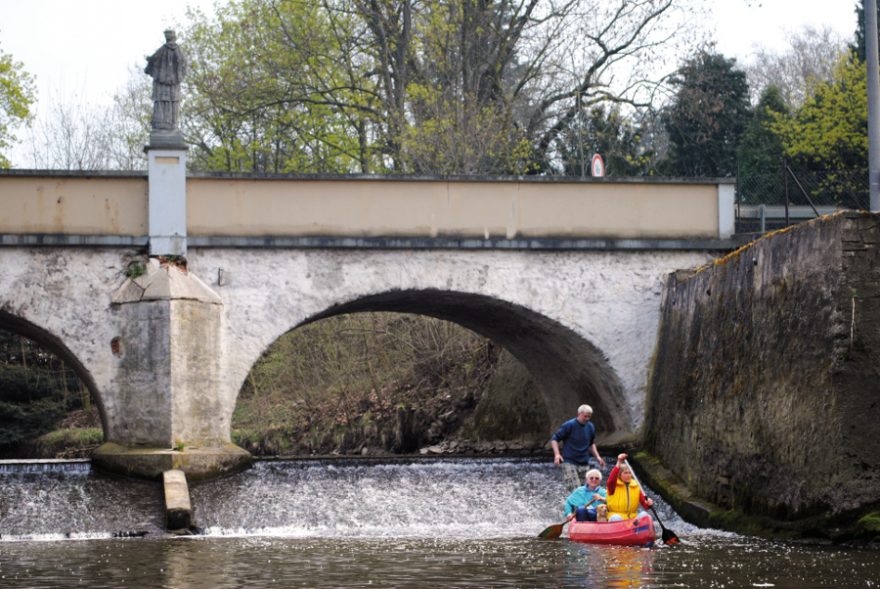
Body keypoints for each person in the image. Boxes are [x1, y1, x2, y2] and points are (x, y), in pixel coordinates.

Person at [550, 404, 604, 492]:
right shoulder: (569, 425)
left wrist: (597, 457)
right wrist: (557, 454)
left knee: (587, 489)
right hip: (569, 461)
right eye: (585, 416)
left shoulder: (590, 426)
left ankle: (580, 505)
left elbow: (591, 443)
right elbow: (554, 439)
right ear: (579, 414)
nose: (587, 419)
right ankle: (576, 505)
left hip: (584, 462)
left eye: (589, 417)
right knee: (576, 490)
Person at [145, 29, 188, 132]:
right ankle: (173, 123)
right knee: (173, 102)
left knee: (161, 101)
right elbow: (184, 64)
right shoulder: (179, 51)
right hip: (174, 84)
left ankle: (161, 123)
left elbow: (152, 60)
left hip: (161, 84)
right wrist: (178, 77)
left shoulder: (162, 50)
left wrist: (149, 61)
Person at [605, 452, 653, 521]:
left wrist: (649, 503)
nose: (628, 475)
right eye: (625, 473)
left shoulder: (636, 486)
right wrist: (619, 462)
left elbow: (645, 506)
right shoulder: (613, 486)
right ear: (619, 475)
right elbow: (611, 480)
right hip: (617, 518)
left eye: (630, 473)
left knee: (645, 515)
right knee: (616, 518)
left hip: (632, 519)